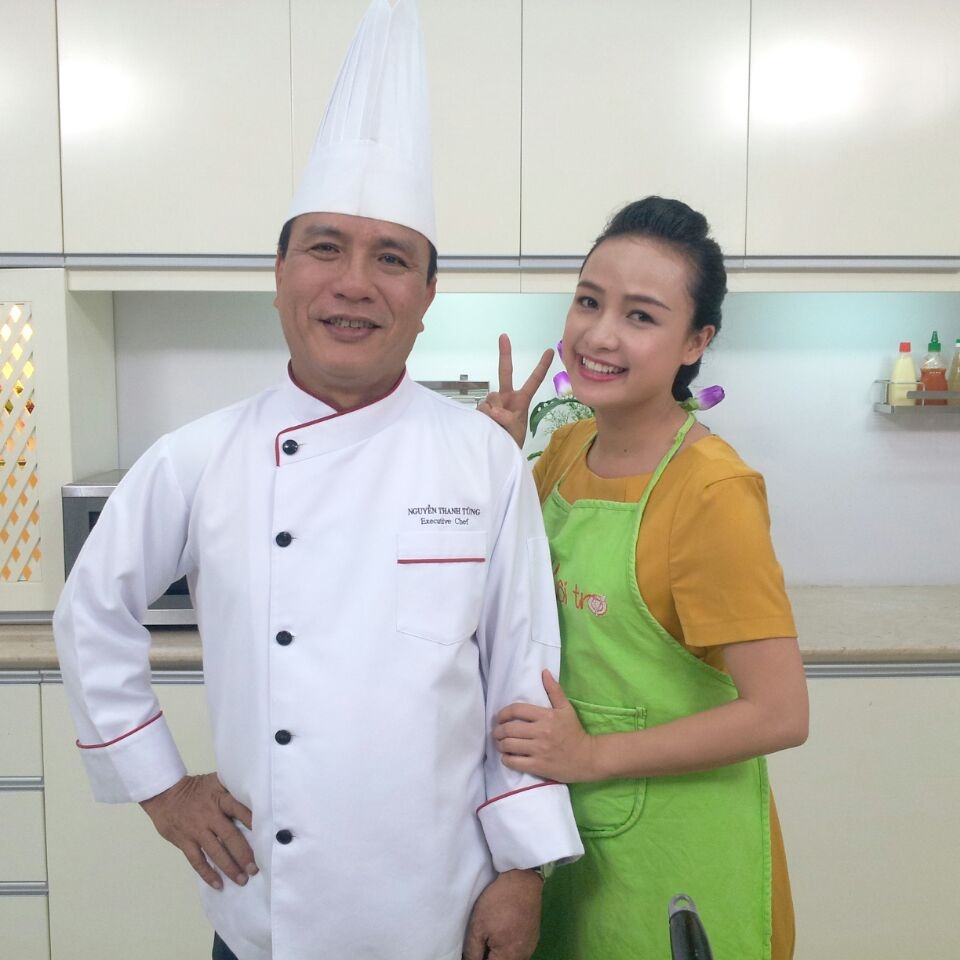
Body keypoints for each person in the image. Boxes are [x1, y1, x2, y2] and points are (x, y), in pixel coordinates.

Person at [52, 3, 581, 959]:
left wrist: (523, 870)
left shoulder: (482, 458)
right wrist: (161, 786)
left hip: (444, 905)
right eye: (326, 247)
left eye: (392, 259)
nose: (354, 283)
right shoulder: (198, 456)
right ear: (280, 274)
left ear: (427, 296)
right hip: (268, 916)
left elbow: (523, 675)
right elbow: (92, 612)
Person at [480, 196, 809, 960]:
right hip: (577, 844)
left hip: (682, 860)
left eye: (640, 316)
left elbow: (780, 713)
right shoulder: (565, 452)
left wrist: (591, 757)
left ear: (697, 341)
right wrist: (495, 463)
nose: (599, 334)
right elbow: (513, 607)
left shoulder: (711, 490)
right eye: (589, 301)